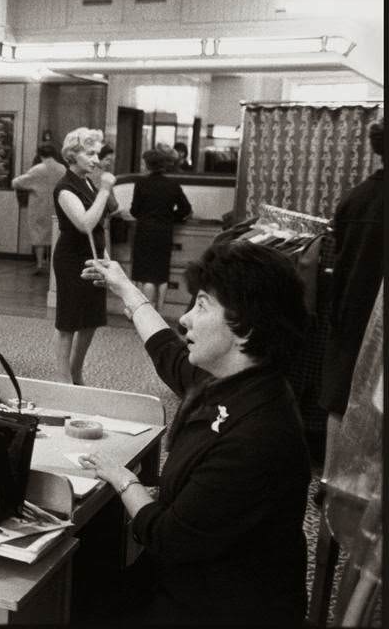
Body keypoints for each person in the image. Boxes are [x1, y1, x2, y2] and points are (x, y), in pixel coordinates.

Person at [79, 241, 311, 625]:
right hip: (194, 582)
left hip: (221, 607)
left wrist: (123, 480)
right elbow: (166, 352)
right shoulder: (236, 379)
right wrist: (125, 288)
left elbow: (167, 538)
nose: (185, 319)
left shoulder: (258, 435)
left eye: (201, 305)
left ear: (246, 328)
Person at [319, 117, 383, 472]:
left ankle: (329, 478)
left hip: (350, 311)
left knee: (339, 401)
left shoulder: (354, 198)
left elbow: (337, 259)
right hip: (379, 315)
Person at [52, 127, 115, 384]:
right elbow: (85, 224)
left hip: (92, 257)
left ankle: (76, 371)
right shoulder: (64, 187)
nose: (96, 160)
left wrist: (106, 256)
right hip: (71, 260)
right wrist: (105, 190)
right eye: (90, 154)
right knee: (68, 322)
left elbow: (98, 227)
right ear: (73, 154)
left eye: (96, 154)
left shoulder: (86, 181)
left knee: (90, 319)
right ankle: (63, 377)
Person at [130, 146, 193, 312]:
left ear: (148, 165)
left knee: (146, 276)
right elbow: (186, 209)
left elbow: (134, 210)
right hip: (164, 231)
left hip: (144, 231)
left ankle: (146, 313)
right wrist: (171, 217)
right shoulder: (172, 184)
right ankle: (159, 311)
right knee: (161, 274)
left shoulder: (141, 183)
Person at [11, 143, 66, 275]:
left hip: (39, 207)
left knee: (39, 235)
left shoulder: (37, 169)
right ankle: (54, 265)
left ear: (40, 154)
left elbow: (16, 182)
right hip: (58, 207)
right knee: (55, 235)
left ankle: (40, 264)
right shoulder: (62, 168)